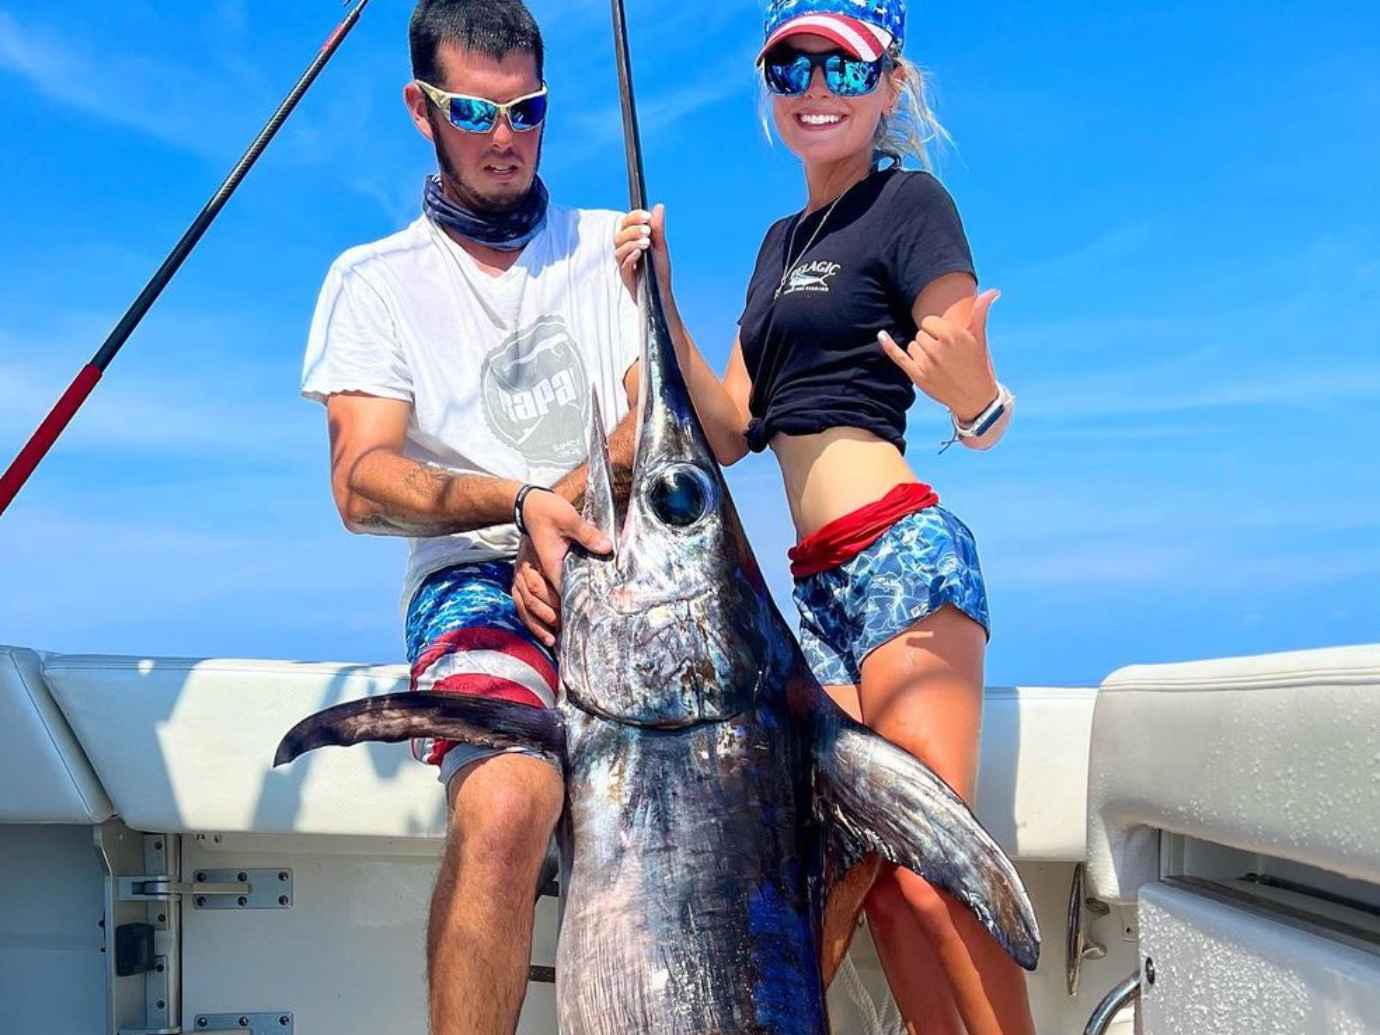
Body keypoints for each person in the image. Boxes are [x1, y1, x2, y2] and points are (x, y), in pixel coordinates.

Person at [609, 0, 1033, 1031]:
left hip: (899, 553)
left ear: (890, 84)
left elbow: (966, 369)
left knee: (931, 866)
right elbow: (726, 428)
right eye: (790, 69)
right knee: (867, 878)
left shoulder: (910, 205)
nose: (813, 92)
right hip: (818, 590)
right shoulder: (777, 244)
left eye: (843, 71)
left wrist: (975, 395)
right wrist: (658, 296)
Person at [300, 2, 643, 1031]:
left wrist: (570, 522)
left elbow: (649, 421)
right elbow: (362, 482)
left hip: (623, 566)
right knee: (506, 805)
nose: (506, 136)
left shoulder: (604, 246)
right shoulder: (372, 280)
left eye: (528, 110)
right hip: (473, 573)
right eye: (476, 110)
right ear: (422, 108)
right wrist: (523, 506)